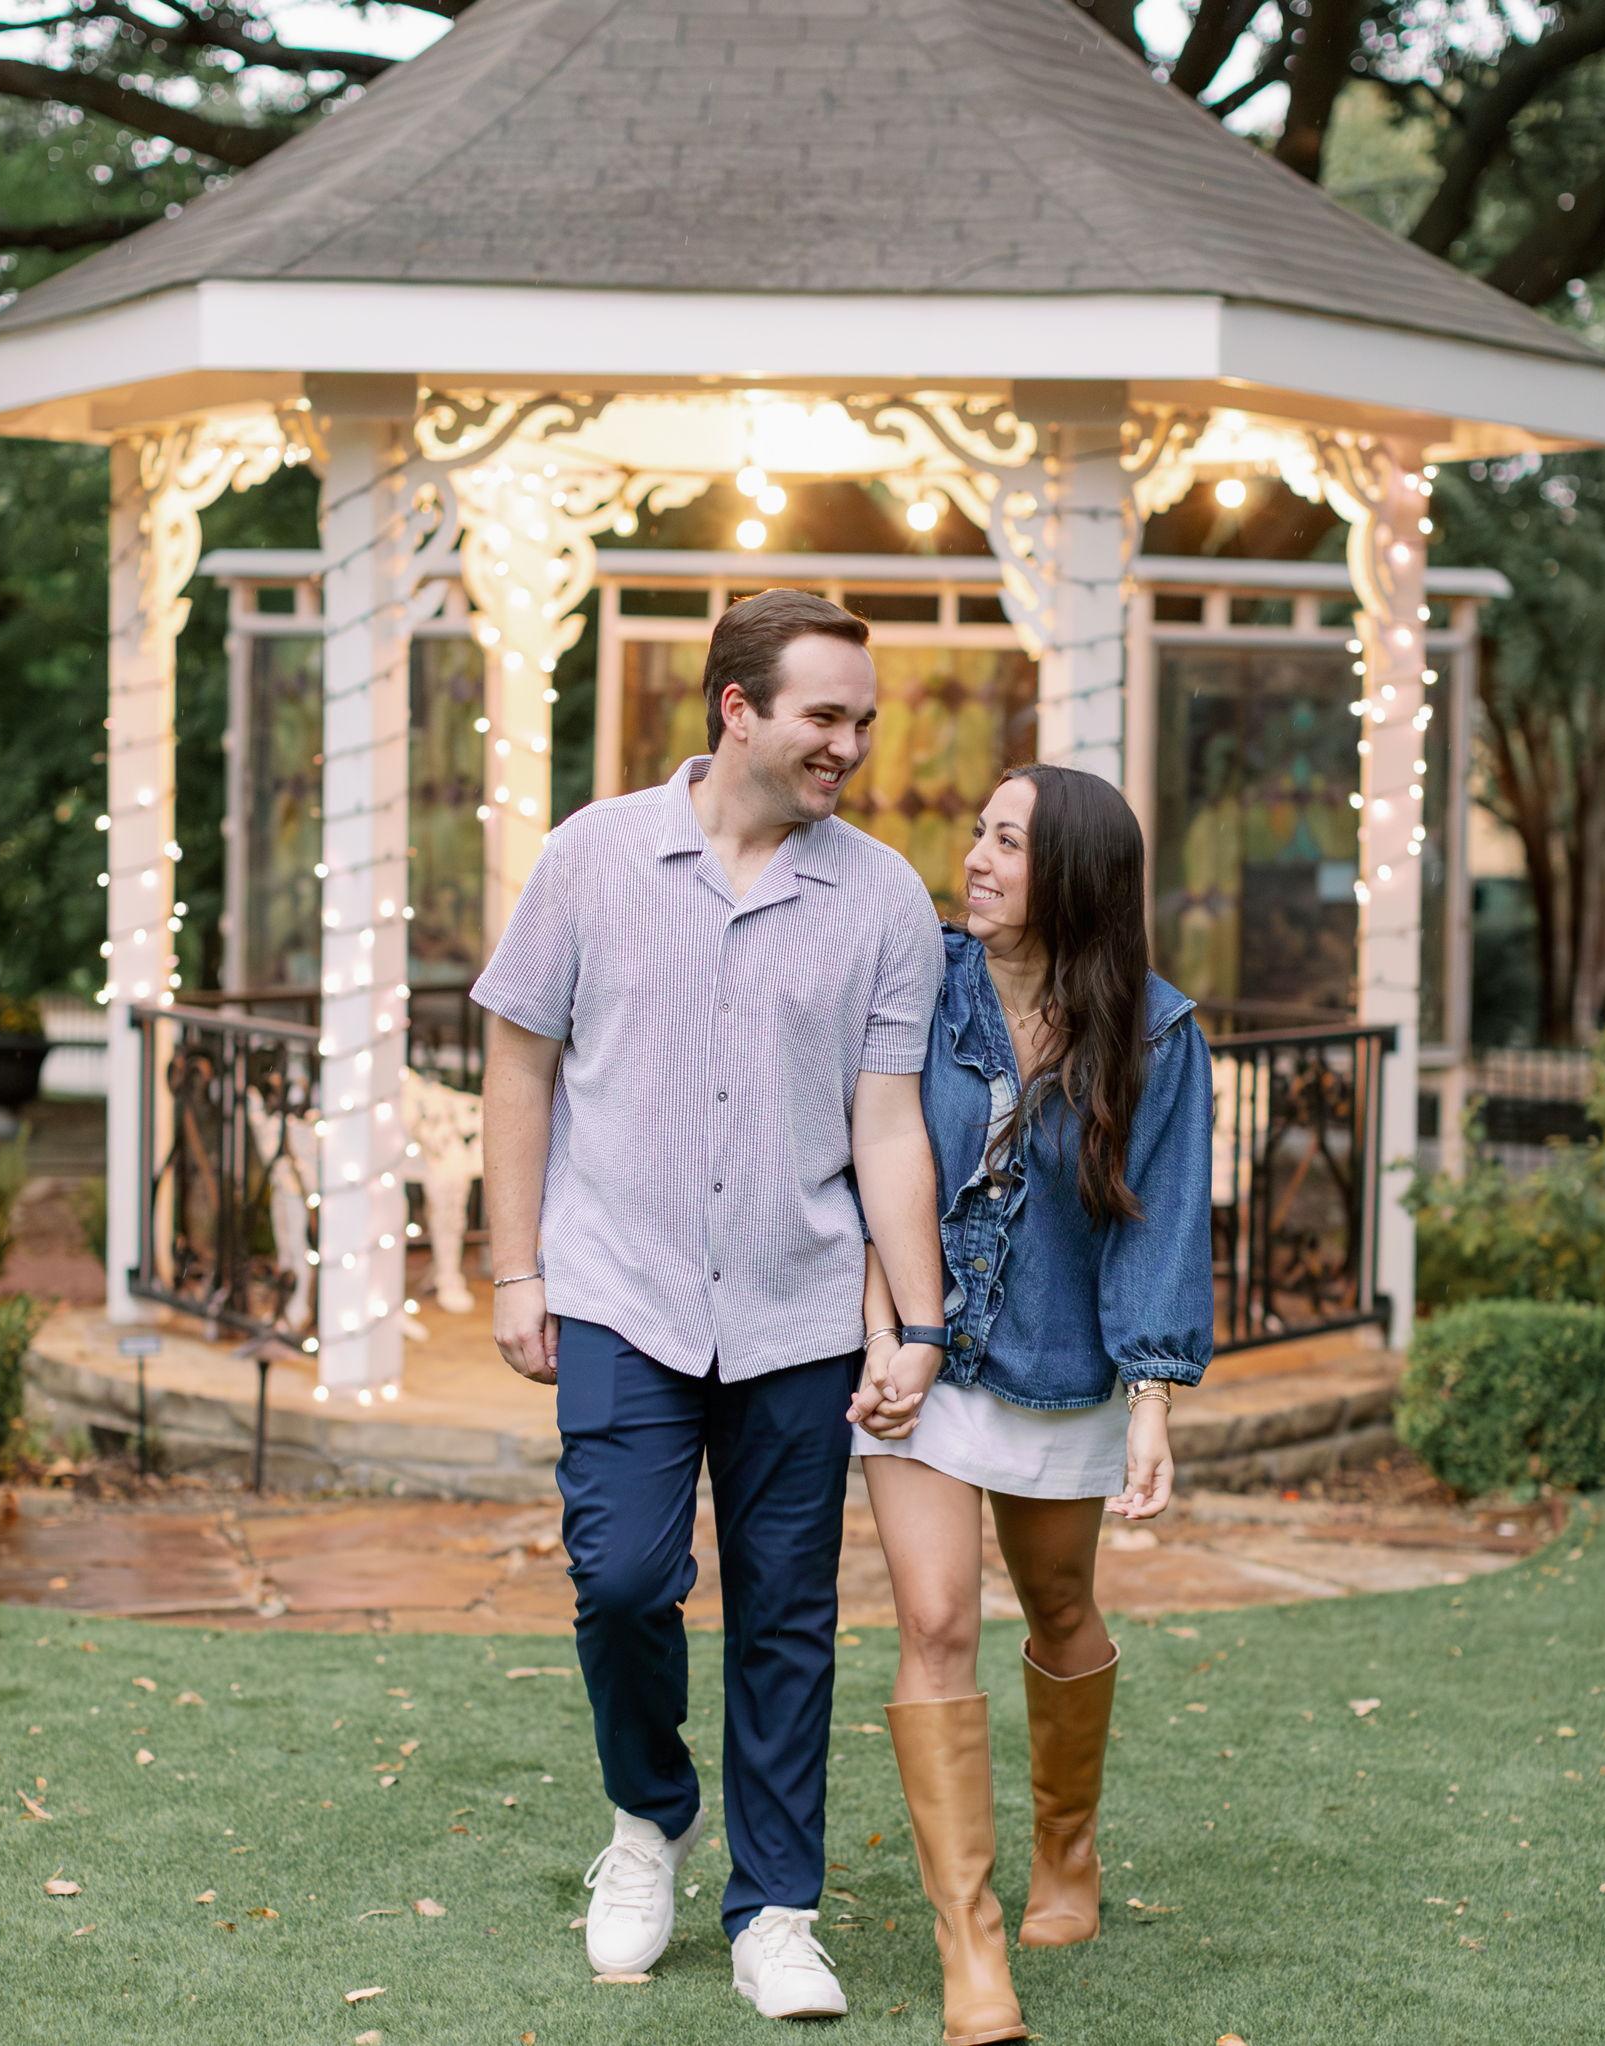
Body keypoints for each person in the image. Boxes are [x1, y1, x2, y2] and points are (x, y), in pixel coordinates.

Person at [472, 589, 949, 2022]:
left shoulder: (885, 899)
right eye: (825, 716)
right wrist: (514, 1267)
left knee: (787, 1614)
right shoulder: (592, 855)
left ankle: (776, 1912)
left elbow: (887, 1124)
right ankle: (650, 1815)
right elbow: (517, 1064)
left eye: (863, 720)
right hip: (620, 1287)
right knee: (622, 1579)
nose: (848, 744)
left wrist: (916, 1322)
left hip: (799, 1308)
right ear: (737, 708)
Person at [848, 764, 1215, 2046]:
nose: (977, 859)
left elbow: (1158, 1219)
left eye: (1008, 842)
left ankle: (1067, 1845)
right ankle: (970, 1944)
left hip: (1061, 1360)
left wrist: (1150, 1398)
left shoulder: (1154, 1032)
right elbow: (868, 1157)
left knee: (1057, 1606)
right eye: (979, 835)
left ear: (1070, 875)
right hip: (918, 1353)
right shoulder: (919, 981)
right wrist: (886, 1330)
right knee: (936, 1617)